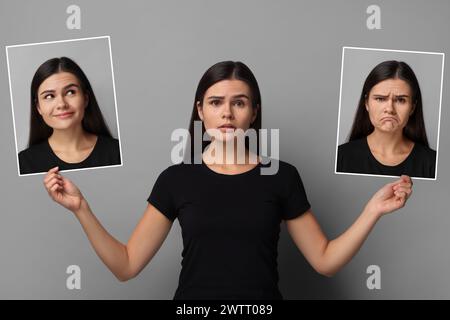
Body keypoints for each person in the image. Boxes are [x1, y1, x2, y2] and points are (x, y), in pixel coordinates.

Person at [43, 61, 413, 299]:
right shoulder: (177, 179)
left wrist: (372, 211)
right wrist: (82, 209)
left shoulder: (281, 176)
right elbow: (126, 266)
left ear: (254, 112)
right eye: (216, 102)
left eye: (239, 103)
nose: (227, 113)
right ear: (200, 111)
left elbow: (325, 261)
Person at [18, 57, 121, 175]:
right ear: (38, 107)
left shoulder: (117, 152)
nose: (61, 104)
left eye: (70, 92)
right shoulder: (24, 162)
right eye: (49, 96)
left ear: (86, 99)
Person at [337, 60, 436, 178]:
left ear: (412, 108)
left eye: (400, 100)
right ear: (366, 103)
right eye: (380, 99)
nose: (389, 109)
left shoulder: (432, 163)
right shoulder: (341, 157)